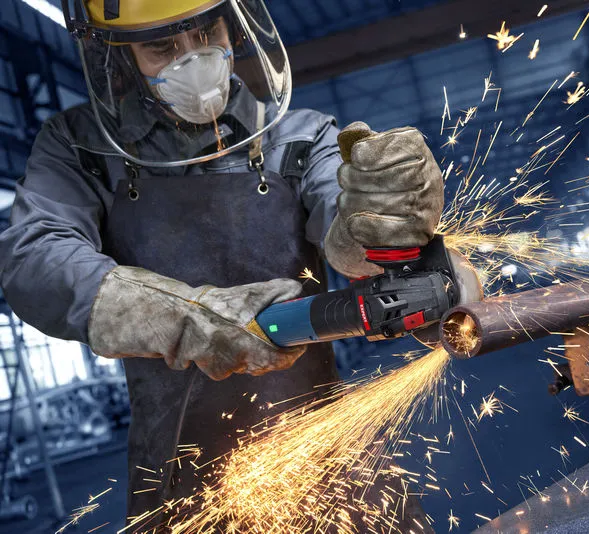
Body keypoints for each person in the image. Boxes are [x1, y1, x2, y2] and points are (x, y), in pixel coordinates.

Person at [0, 1, 442, 530]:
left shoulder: (299, 136)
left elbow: (341, 221)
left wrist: (374, 223)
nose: (195, 59)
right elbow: (34, 257)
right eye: (162, 46)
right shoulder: (82, 150)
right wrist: (189, 318)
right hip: (176, 472)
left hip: (323, 445)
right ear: (118, 56)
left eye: (207, 31)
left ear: (235, 23)